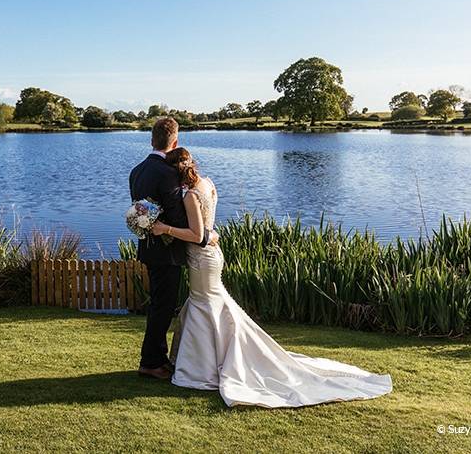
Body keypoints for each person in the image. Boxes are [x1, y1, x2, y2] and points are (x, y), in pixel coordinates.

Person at [151, 147, 392, 408]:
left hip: (201, 257)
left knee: (206, 305)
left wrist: (165, 228)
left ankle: (205, 368)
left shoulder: (189, 196)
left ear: (176, 173)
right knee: (212, 304)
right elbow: (210, 227)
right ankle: (217, 358)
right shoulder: (208, 184)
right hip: (214, 254)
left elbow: (198, 235)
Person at [128, 118, 216, 379]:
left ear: (151, 140)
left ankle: (156, 358)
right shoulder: (169, 174)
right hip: (167, 252)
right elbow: (179, 217)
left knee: (159, 305)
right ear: (174, 142)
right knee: (162, 307)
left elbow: (141, 210)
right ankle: (152, 362)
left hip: (148, 247)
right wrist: (205, 236)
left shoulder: (137, 171)